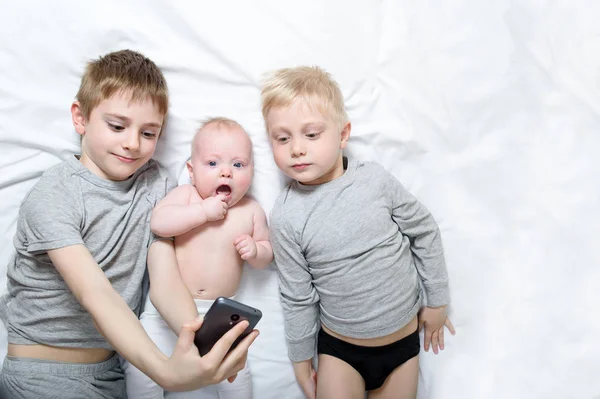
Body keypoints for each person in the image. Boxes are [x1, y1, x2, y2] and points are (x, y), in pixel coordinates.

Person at [0, 50, 258, 399]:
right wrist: (166, 372)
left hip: (114, 371)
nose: (133, 143)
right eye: (117, 126)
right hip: (43, 373)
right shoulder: (54, 193)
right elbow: (95, 293)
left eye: (149, 133)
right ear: (81, 118)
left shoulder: (157, 187)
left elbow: (165, 280)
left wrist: (204, 341)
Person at [261, 66, 456, 399]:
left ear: (343, 134)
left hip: (402, 346)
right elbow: (296, 295)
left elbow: (423, 232)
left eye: (311, 134)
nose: (296, 148)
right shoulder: (286, 215)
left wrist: (437, 302)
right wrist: (300, 358)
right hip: (341, 350)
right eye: (283, 138)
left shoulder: (374, 181)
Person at [124, 117, 273, 399]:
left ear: (251, 171)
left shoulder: (251, 210)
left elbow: (266, 253)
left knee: (234, 376)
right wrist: (202, 212)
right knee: (142, 370)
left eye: (238, 164)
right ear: (191, 171)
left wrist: (255, 251)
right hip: (164, 311)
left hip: (219, 315)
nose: (226, 173)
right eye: (213, 164)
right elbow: (159, 223)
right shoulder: (186, 196)